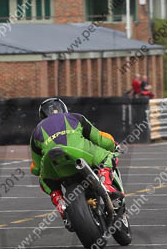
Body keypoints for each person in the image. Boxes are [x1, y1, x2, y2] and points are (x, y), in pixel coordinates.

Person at [29, 98, 123, 231]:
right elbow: (99, 138)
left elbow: (37, 167)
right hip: (81, 153)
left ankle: (61, 206)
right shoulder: (75, 117)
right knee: (108, 156)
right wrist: (113, 145)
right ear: (63, 109)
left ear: (42, 116)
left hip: (54, 163)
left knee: (45, 181)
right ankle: (106, 185)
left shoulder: (36, 132)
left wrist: (35, 170)